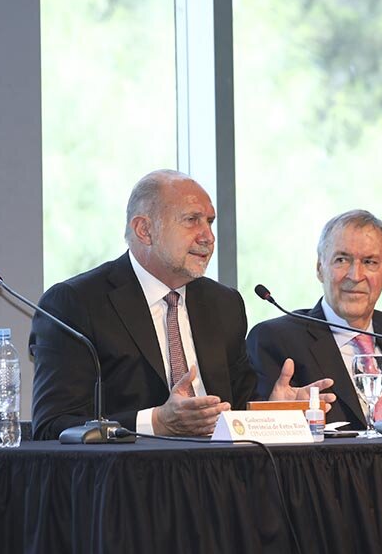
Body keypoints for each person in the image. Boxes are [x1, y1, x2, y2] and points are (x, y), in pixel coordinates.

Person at [30, 169, 334, 440]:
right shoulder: (76, 303)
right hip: (129, 485)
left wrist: (271, 410)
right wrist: (156, 422)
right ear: (144, 230)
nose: (208, 237)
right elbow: (53, 424)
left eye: (210, 222)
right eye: (192, 221)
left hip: (219, 479)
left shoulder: (224, 304)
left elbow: (237, 410)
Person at [248, 210, 382, 432]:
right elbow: (262, 437)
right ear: (319, 269)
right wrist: (276, 417)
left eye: (370, 262)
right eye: (342, 260)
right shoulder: (276, 339)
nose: (355, 275)